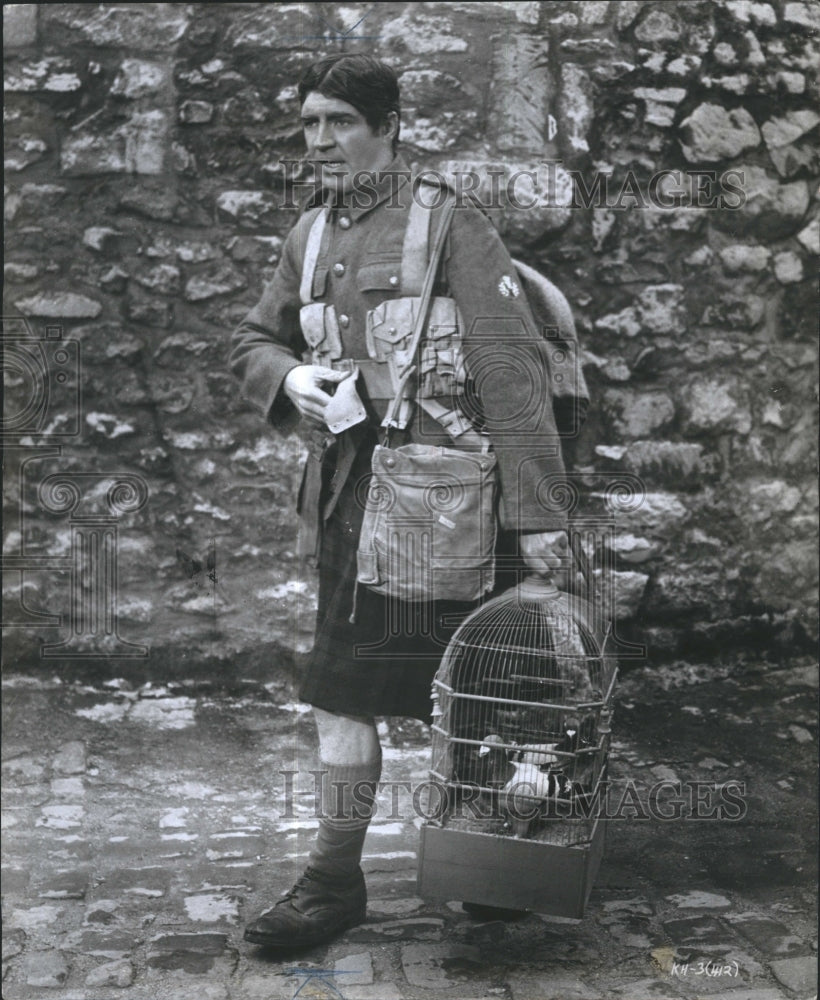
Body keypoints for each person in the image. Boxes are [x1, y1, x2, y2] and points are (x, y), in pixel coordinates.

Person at [229, 53, 571, 950]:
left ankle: (485, 870)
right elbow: (253, 340)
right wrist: (291, 375)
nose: (321, 141)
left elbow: (513, 369)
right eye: (308, 123)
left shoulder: (450, 222)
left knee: (472, 699)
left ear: (386, 127)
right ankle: (333, 883)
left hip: (448, 504)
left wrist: (538, 518)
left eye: (339, 121)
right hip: (352, 505)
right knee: (340, 696)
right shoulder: (308, 234)